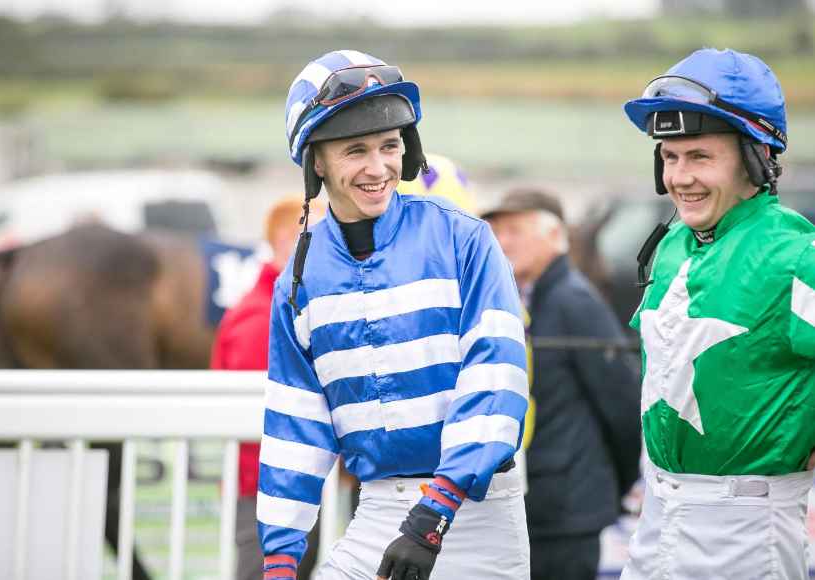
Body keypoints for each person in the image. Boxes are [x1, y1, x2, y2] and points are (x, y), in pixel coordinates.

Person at [256, 50, 530, 580]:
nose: (378, 168)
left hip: (473, 516)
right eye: (355, 150)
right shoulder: (299, 275)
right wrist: (281, 559)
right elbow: (295, 422)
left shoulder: (466, 239)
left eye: (389, 146)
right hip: (378, 512)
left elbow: (495, 379)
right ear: (317, 161)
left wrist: (432, 516)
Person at [621, 48, 815, 580]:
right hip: (657, 517)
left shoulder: (795, 254)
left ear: (755, 158)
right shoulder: (674, 244)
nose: (680, 177)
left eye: (700, 157)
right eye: (670, 157)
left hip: (749, 528)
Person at [483, 188, 642, 580]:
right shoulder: (527, 301)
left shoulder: (573, 301)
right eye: (497, 232)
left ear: (555, 237)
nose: (503, 243)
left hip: (567, 513)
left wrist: (608, 487)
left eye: (516, 231)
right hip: (539, 507)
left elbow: (622, 405)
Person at [210, 196, 324, 580]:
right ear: (284, 238)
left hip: (279, 485)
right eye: (320, 234)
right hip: (268, 489)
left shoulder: (274, 305)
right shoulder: (263, 314)